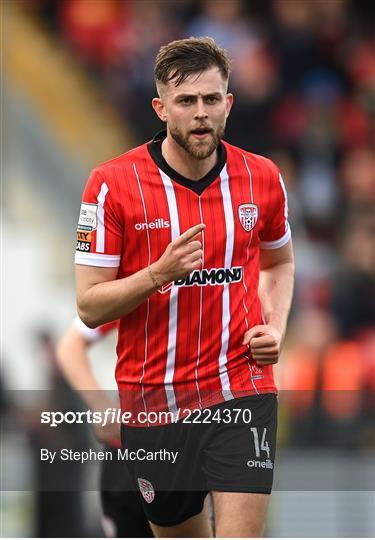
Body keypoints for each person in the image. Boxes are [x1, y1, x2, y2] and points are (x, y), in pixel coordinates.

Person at [75, 37, 295, 537]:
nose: (201, 113)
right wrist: (158, 274)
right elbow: (89, 306)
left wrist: (275, 328)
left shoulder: (262, 178)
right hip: (153, 403)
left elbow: (279, 262)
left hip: (241, 389)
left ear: (229, 104)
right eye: (186, 101)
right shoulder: (111, 184)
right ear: (161, 108)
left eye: (212, 100)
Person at [56, 317, 153, 538]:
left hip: (204, 441)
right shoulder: (135, 285)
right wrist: (101, 405)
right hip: (130, 448)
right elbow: (70, 346)